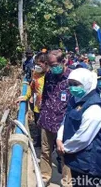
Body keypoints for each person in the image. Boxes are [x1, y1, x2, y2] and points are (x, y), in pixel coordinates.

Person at [56, 68, 101, 187]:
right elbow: (66, 119)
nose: (72, 88)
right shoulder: (75, 100)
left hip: (88, 163)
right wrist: (59, 138)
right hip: (76, 159)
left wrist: (64, 148)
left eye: (76, 84)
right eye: (70, 84)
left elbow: (83, 137)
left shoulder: (95, 107)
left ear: (86, 83)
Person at [38, 50, 72, 186]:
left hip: (63, 123)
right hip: (47, 120)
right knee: (45, 152)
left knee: (64, 154)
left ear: (63, 61)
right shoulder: (49, 75)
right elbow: (45, 96)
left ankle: (67, 182)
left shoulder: (72, 78)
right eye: (50, 65)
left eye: (54, 64)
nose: (52, 68)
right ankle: (44, 177)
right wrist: (41, 115)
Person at [17, 52, 48, 147]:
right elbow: (32, 86)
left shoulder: (50, 76)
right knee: (38, 125)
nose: (36, 67)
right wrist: (26, 96)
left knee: (46, 130)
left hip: (48, 108)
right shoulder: (36, 74)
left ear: (46, 63)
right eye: (36, 64)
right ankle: (39, 142)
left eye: (39, 64)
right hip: (37, 106)